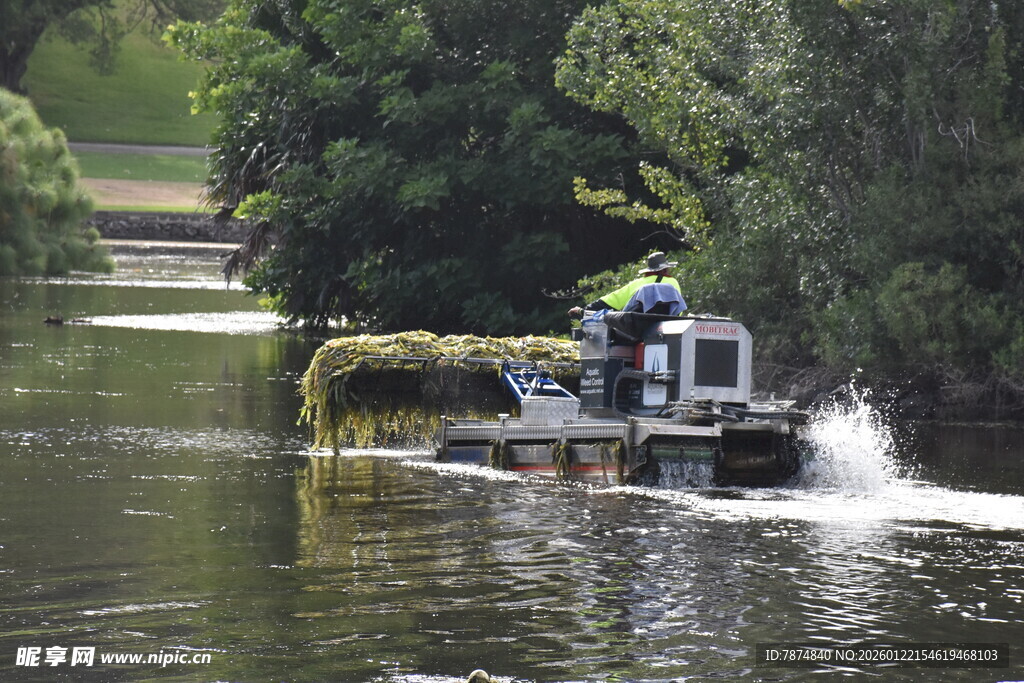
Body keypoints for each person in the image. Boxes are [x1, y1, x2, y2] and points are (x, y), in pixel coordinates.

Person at [568, 252, 686, 318]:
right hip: (667, 327)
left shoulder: (638, 283)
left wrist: (583, 311)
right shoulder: (673, 282)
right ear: (665, 269)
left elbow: (610, 301)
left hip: (638, 329)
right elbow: (678, 308)